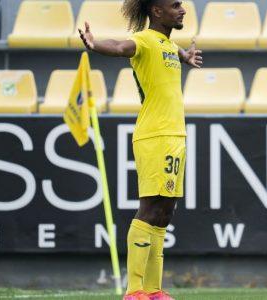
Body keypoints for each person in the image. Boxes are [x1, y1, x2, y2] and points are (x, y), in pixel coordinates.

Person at [78, 1, 202, 299]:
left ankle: (154, 290)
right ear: (157, 12)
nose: (182, 9)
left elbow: (173, 53)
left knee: (165, 213)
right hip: (155, 134)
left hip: (175, 135)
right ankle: (134, 291)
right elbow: (121, 46)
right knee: (149, 209)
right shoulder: (145, 40)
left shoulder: (168, 45)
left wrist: (186, 57)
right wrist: (95, 45)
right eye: (175, 5)